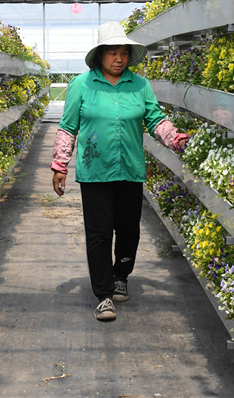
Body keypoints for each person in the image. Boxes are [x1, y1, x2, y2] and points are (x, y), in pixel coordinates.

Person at [50, 21, 189, 322]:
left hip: (129, 169)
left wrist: (175, 139)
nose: (119, 59)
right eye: (112, 53)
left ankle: (121, 275)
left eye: (124, 53)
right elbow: (68, 127)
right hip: (95, 170)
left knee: (128, 230)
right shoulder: (81, 85)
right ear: (100, 55)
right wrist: (60, 165)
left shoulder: (140, 85)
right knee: (99, 233)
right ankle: (103, 295)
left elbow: (155, 120)